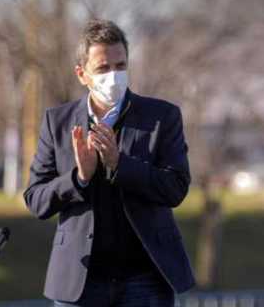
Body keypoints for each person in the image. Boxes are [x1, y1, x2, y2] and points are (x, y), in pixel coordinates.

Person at [24, 19, 195, 306]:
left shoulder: (161, 117)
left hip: (146, 278)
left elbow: (176, 188)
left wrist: (119, 164)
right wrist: (79, 177)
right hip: (80, 280)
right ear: (82, 74)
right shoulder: (58, 122)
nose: (114, 76)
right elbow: (36, 199)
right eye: (103, 68)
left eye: (121, 66)